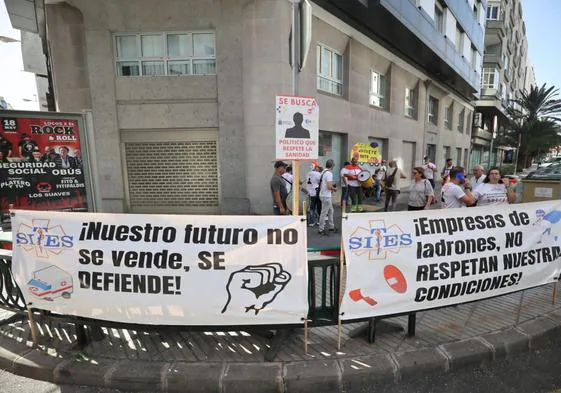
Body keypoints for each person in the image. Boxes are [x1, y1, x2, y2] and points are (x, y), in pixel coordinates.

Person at [318, 159, 337, 236]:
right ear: (332, 166)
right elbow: (329, 186)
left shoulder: (323, 172)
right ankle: (321, 229)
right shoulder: (329, 173)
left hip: (322, 194)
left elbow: (325, 184)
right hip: (326, 195)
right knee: (324, 213)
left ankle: (331, 226)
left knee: (330, 211)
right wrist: (334, 188)